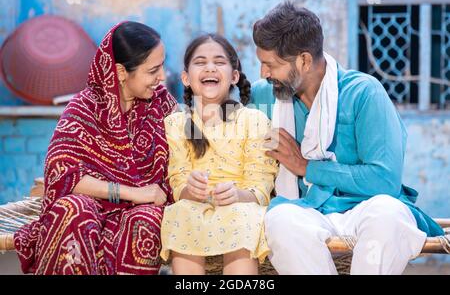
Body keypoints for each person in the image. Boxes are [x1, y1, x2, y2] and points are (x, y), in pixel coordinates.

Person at [250, 1, 444, 275]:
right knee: (280, 220)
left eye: (271, 65)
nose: (263, 73)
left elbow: (384, 180)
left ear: (304, 60)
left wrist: (307, 167)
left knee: (388, 214)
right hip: (303, 209)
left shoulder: (364, 93)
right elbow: (225, 128)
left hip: (363, 210)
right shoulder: (263, 96)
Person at [13, 21, 177, 275]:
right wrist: (133, 192)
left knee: (145, 220)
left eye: (162, 66)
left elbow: (193, 145)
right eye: (153, 69)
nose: (162, 76)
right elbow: (64, 176)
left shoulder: (162, 104)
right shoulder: (83, 109)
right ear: (121, 72)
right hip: (93, 205)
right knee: (73, 210)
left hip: (143, 209)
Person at [160, 34, 278, 275]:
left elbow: (261, 185)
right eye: (200, 62)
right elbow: (178, 179)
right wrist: (189, 190)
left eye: (219, 61)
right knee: (181, 211)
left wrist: (238, 194)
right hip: (193, 208)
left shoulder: (255, 121)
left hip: (241, 207)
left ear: (234, 76)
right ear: (185, 77)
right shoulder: (175, 123)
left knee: (242, 214)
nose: (210, 67)